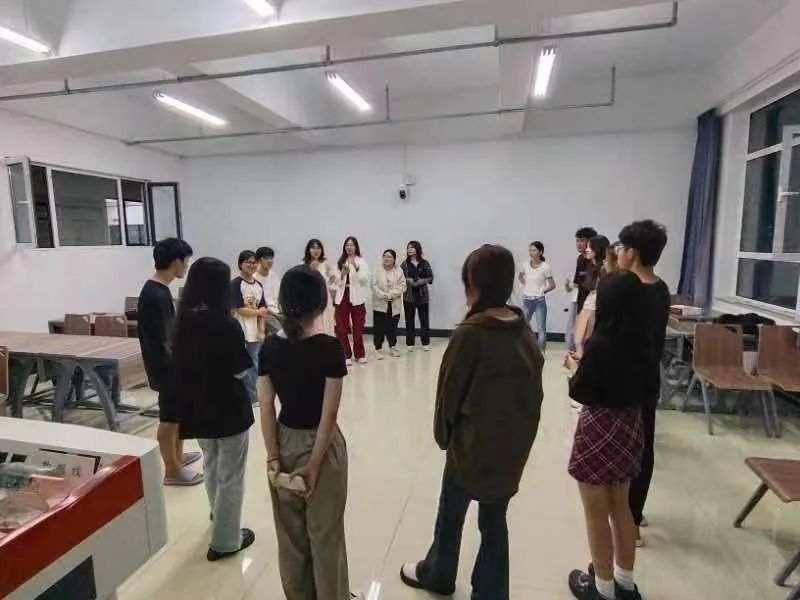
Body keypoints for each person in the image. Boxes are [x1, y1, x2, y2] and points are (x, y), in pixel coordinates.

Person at [399, 244, 544, 600]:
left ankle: (439, 574)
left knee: (451, 514)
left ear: (475, 286)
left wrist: (444, 437)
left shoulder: (471, 334)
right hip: (511, 451)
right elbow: (535, 397)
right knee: (494, 523)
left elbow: (448, 396)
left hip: (470, 449)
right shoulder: (524, 332)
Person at [258, 265, 358, 600]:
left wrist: (273, 456)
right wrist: (315, 463)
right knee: (326, 535)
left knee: (291, 538)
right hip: (322, 446)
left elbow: (266, 406)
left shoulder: (269, 348)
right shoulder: (330, 348)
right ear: (320, 304)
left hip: (284, 440)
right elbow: (329, 414)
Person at [566, 271, 652, 600]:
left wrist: (575, 366)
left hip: (599, 427)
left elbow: (580, 391)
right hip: (630, 427)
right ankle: (625, 583)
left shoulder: (600, 345)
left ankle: (602, 588)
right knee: (621, 508)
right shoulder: (644, 344)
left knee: (596, 513)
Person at [166, 257, 256, 561]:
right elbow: (240, 372)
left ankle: (219, 516)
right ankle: (226, 541)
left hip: (197, 409)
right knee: (231, 475)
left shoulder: (182, 321)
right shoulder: (226, 324)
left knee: (212, 465)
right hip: (228, 409)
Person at [615, 220, 670, 548]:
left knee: (624, 451)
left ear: (632, 253)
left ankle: (627, 520)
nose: (618, 253)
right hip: (648, 380)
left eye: (621, 248)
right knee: (643, 447)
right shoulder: (661, 288)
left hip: (623, 382)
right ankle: (633, 515)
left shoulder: (627, 290)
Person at [137, 238, 202, 487]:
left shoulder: (160, 290)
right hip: (166, 367)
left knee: (178, 415)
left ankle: (178, 457)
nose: (187, 266)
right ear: (176, 261)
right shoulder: (155, 294)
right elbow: (165, 340)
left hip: (171, 364)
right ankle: (172, 470)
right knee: (169, 418)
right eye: (186, 261)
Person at [231, 250, 268, 403]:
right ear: (241, 264)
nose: (252, 265)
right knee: (239, 364)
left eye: (254, 262)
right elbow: (239, 309)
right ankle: (243, 395)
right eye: (248, 262)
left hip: (254, 331)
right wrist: (258, 312)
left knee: (254, 363)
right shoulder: (235, 284)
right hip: (238, 329)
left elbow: (263, 310)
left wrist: (261, 330)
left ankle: (252, 396)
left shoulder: (258, 285)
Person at [571, 235, 611, 362]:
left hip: (594, 306)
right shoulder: (592, 266)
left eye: (590, 247)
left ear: (597, 250)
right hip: (588, 304)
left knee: (586, 338)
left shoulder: (604, 268)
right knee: (579, 338)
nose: (586, 250)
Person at [334, 236, 370, 366]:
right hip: (342, 296)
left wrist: (355, 265)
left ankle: (359, 354)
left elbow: (364, 280)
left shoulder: (362, 261)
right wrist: (342, 274)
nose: (349, 247)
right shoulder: (340, 261)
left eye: (352, 245)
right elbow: (335, 282)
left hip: (357, 297)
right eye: (347, 245)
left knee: (358, 326)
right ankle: (346, 354)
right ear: (344, 247)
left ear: (356, 247)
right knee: (341, 327)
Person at [518, 241, 556, 350]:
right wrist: (527, 286)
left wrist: (542, 291)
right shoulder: (525, 265)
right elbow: (520, 277)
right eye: (530, 250)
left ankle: (541, 353)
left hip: (539, 300)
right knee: (522, 326)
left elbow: (552, 285)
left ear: (540, 252)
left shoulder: (545, 267)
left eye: (534, 250)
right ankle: (522, 350)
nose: (531, 252)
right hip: (527, 299)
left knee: (541, 329)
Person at [565, 228, 597, 352]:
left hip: (592, 304)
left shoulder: (597, 262)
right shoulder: (580, 259)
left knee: (585, 336)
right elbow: (577, 282)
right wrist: (569, 286)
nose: (578, 244)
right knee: (572, 334)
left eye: (582, 241)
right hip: (579, 300)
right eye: (577, 241)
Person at [372, 249, 407, 358]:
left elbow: (403, 286)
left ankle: (393, 346)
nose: (387, 258)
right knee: (379, 327)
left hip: (394, 303)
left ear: (394, 259)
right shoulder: (377, 270)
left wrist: (391, 294)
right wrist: (383, 295)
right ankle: (378, 348)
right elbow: (373, 285)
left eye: (390, 257)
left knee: (392, 327)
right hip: (380, 303)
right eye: (385, 256)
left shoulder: (399, 270)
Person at [401, 241, 434, 351]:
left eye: (412, 247)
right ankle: (410, 343)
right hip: (408, 296)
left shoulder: (424, 263)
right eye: (408, 248)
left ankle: (425, 342)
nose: (409, 249)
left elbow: (430, 278)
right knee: (409, 320)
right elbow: (400, 278)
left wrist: (421, 281)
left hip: (422, 296)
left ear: (417, 249)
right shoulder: (404, 264)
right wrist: (408, 280)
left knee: (424, 320)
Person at [303, 238, 337, 336]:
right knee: (314, 322)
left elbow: (333, 277)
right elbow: (301, 282)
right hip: (310, 298)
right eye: (313, 248)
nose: (316, 250)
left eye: (318, 248)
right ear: (308, 250)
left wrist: (328, 284)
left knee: (326, 320)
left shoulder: (325, 263)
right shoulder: (303, 264)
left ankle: (326, 340)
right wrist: (310, 270)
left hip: (325, 297)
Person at [254, 246, 283, 335]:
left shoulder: (274, 276)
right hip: (265, 313)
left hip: (278, 312)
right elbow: (257, 304)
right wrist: (272, 312)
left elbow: (280, 297)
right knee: (281, 333)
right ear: (259, 260)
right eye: (266, 258)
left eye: (271, 258)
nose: (270, 261)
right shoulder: (254, 278)